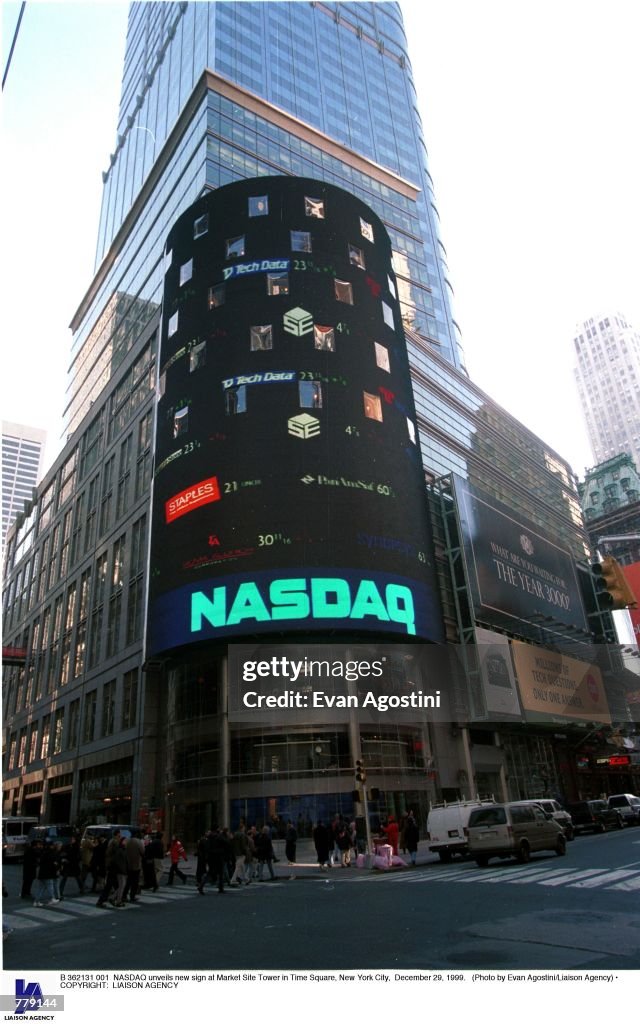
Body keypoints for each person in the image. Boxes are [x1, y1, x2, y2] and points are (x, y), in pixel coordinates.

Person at [33, 841, 60, 907]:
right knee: (50, 887)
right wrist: (55, 867)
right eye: (52, 845)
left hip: (42, 873)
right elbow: (52, 863)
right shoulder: (50, 853)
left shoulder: (44, 853)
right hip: (48, 873)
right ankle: (52, 898)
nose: (53, 846)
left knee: (40, 889)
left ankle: (36, 902)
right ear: (50, 846)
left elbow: (41, 862)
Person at [123, 830, 145, 902]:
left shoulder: (127, 841)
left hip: (128, 863)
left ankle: (124, 895)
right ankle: (132, 896)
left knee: (128, 881)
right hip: (136, 863)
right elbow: (142, 852)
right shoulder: (138, 842)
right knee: (135, 881)